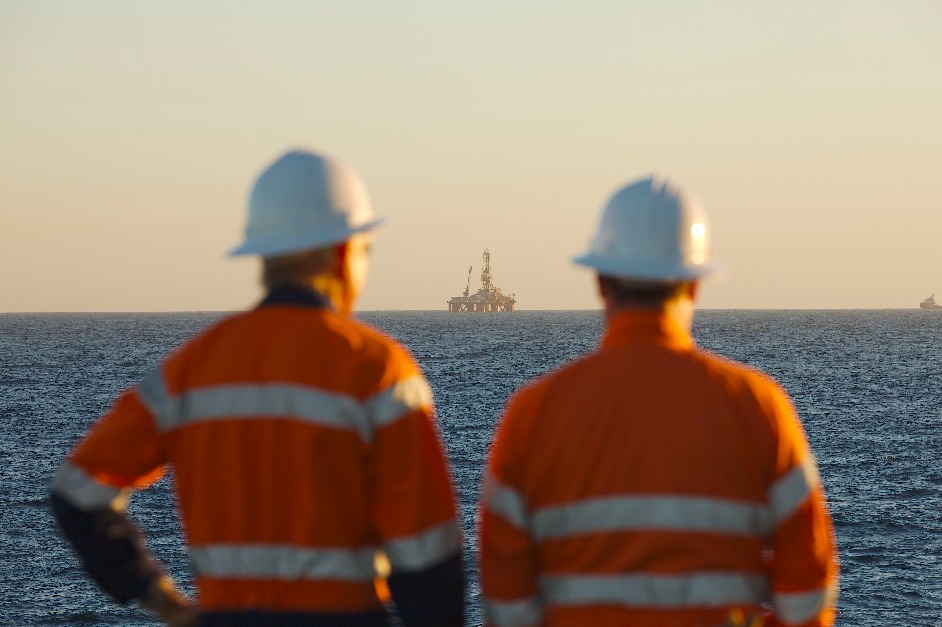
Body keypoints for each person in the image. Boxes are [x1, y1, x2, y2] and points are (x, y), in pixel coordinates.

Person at [51, 149, 466, 626]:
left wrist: (165, 602)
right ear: (343, 253)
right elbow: (428, 558)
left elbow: (77, 493)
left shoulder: (191, 369)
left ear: (264, 256)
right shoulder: (377, 370)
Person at [478, 176, 839, 626]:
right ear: (693, 285)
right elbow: (809, 584)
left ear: (601, 281)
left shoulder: (534, 413)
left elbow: (506, 591)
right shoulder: (759, 408)